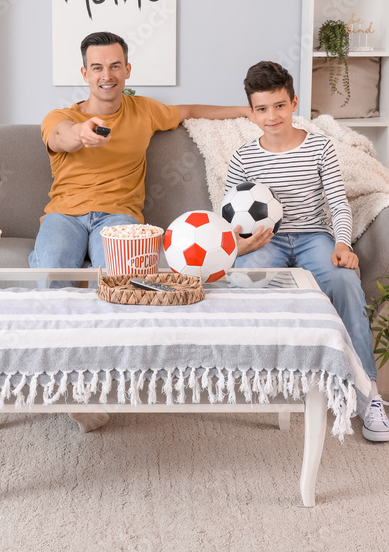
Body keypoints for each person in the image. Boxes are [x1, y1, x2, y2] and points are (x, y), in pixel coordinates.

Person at [31, 31, 248, 432]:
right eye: (97, 67)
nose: (107, 75)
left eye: (115, 65)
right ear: (84, 73)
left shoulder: (144, 111)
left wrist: (247, 110)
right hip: (64, 215)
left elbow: (188, 110)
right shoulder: (62, 119)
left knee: (123, 285)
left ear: (127, 69)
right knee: (52, 272)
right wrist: (81, 134)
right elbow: (61, 136)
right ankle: (63, 382)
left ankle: (102, 379)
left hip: (117, 216)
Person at [228, 60, 389, 442]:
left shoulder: (319, 148)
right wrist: (240, 244)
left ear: (294, 103)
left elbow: (338, 203)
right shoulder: (243, 157)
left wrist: (341, 243)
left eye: (280, 106)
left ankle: (367, 395)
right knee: (240, 284)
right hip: (265, 240)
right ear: (252, 112)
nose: (273, 116)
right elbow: (230, 216)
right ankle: (263, 379)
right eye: (263, 109)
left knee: (345, 282)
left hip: (313, 237)